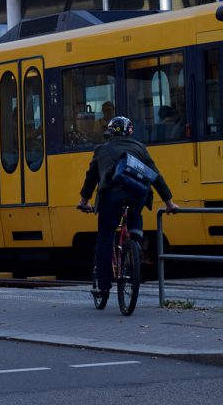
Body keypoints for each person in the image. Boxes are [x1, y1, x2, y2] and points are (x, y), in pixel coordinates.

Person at [77, 116, 179, 301]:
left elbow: (91, 179)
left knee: (106, 237)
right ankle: (135, 243)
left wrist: (84, 202)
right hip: (137, 194)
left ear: (109, 132)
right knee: (135, 215)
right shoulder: (140, 148)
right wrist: (169, 202)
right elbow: (156, 176)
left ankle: (103, 287)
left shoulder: (101, 150)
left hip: (111, 197)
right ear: (130, 132)